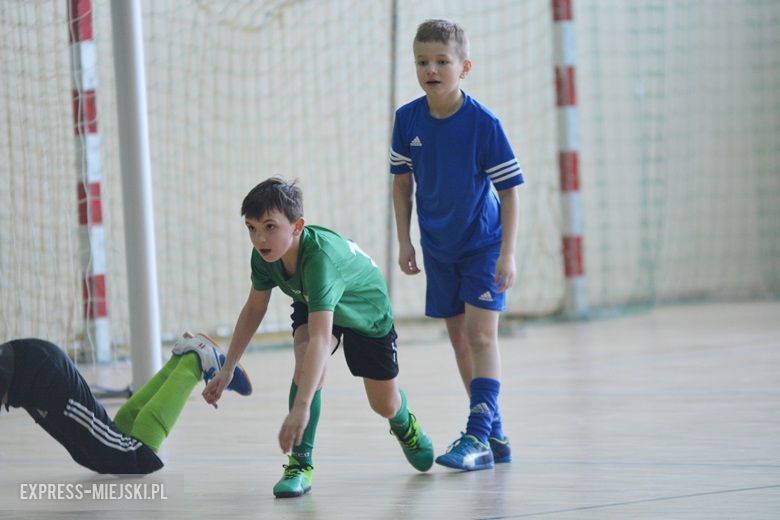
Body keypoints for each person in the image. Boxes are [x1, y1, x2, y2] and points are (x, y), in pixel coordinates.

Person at [202, 177, 434, 499]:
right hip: (313, 299)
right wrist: (228, 367)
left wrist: (301, 408)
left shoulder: (321, 262)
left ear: (297, 226)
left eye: (270, 227)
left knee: (384, 403)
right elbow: (254, 308)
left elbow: (322, 341)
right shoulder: (265, 257)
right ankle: (300, 464)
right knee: (305, 366)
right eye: (251, 228)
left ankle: (404, 424)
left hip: (363, 310)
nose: (259, 238)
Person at [389, 19, 523, 471]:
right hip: (437, 249)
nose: (431, 69)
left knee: (483, 336)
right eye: (422, 62)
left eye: (442, 61)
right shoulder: (407, 119)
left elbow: (509, 191)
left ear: (464, 67)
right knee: (461, 342)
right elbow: (401, 184)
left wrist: (507, 251)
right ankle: (494, 433)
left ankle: (476, 435)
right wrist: (405, 241)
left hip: (482, 246)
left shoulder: (484, 124)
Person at [0, 333, 252, 474]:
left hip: (42, 374)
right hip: (32, 372)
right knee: (96, 454)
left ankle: (195, 361)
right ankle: (182, 358)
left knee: (134, 457)